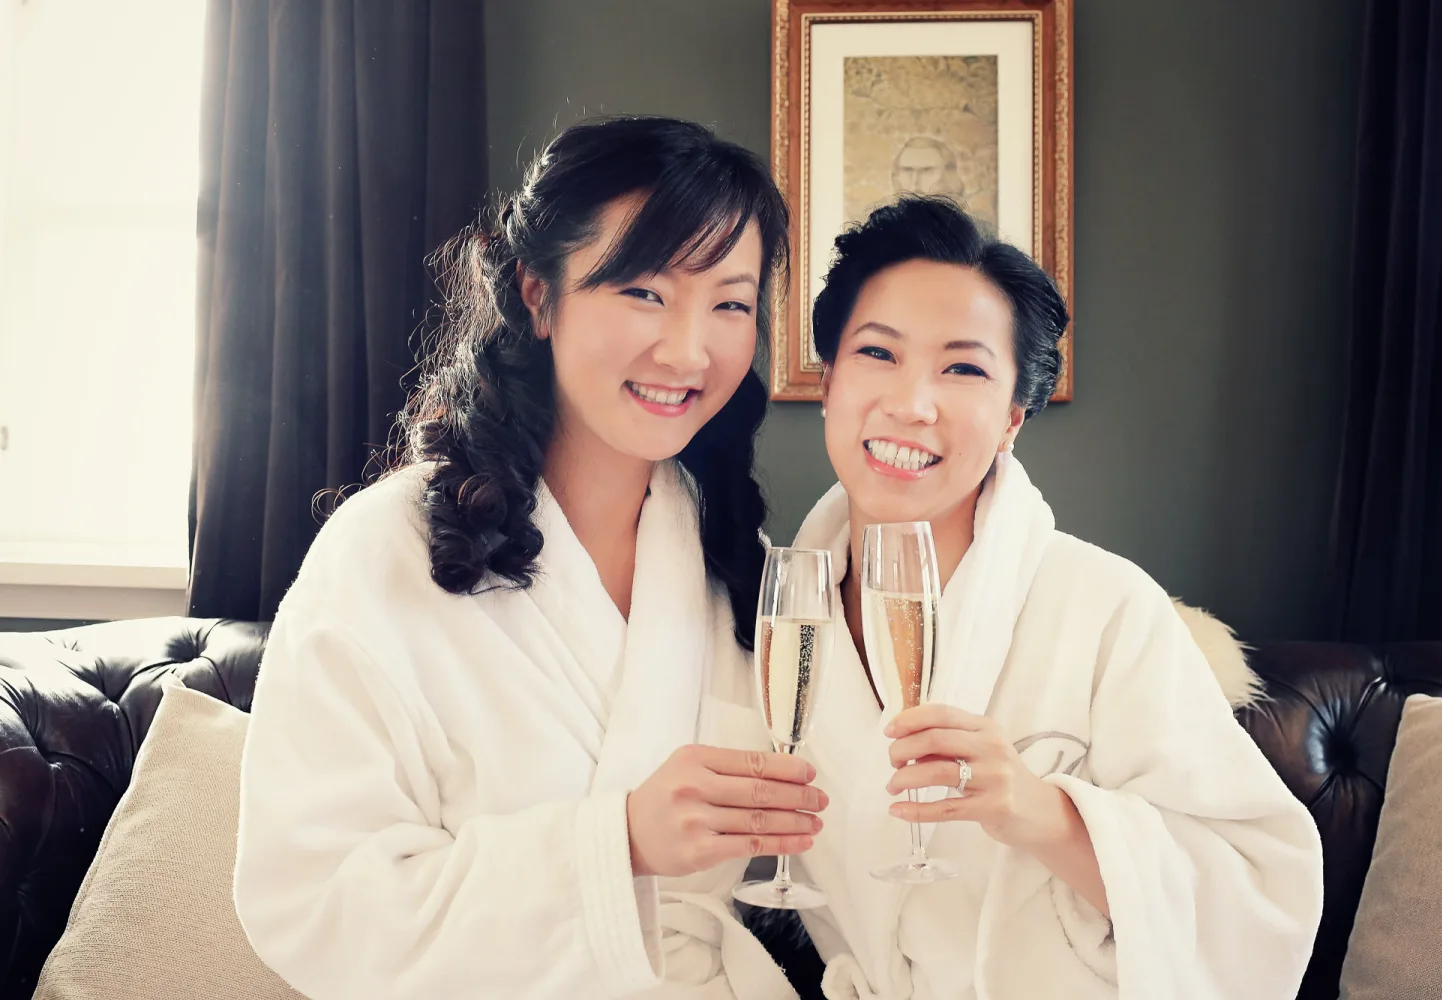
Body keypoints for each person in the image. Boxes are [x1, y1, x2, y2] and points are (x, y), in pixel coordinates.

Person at [233, 116, 823, 1000]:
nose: (689, 349)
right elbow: (310, 901)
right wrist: (613, 844)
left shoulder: (735, 564)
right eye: (646, 292)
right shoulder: (382, 552)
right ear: (538, 296)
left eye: (730, 303)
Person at [787, 196, 1324, 999]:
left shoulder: (1107, 608)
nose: (912, 402)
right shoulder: (782, 616)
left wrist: (1043, 813)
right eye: (878, 353)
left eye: (962, 367)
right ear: (828, 382)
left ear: (1011, 418)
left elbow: (1259, 891)